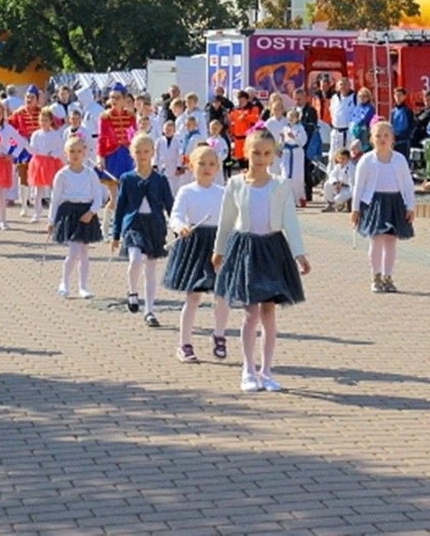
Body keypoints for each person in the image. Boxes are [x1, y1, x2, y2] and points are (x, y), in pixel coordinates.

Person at [213, 128, 310, 393]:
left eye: (266, 153)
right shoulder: (235, 184)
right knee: (250, 312)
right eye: (255, 152)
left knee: (269, 312)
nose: (260, 157)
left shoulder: (280, 185)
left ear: (273, 156)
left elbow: (290, 220)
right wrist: (218, 250)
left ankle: (267, 371)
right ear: (246, 152)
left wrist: (299, 254)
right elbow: (226, 220)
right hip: (245, 249)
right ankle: (248, 369)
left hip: (272, 248)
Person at [163, 145, 229, 363]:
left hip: (217, 246)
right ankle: (184, 343)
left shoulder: (224, 192)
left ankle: (219, 334)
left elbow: (232, 219)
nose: (206, 168)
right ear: (191, 166)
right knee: (193, 297)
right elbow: (176, 215)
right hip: (194, 244)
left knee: (222, 295)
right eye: (201, 163)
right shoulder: (186, 191)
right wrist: (181, 226)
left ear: (218, 167)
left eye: (211, 164)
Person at [112, 133, 174, 328]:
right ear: (132, 154)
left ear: (153, 153)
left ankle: (150, 310)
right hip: (134, 226)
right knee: (135, 259)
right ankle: (132, 291)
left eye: (146, 151)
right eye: (138, 152)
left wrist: (177, 226)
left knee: (151, 269)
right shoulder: (127, 178)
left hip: (154, 226)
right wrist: (115, 234)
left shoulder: (160, 179)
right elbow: (121, 207)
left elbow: (170, 205)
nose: (142, 155)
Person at [351, 120, 416, 293]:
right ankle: (376, 277)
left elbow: (408, 185)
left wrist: (410, 206)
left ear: (392, 138)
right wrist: (355, 209)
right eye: (378, 136)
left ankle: (388, 277)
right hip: (374, 203)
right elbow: (358, 186)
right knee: (376, 240)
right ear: (372, 139)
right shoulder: (367, 160)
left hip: (395, 202)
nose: (382, 139)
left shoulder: (399, 160)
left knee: (391, 241)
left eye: (386, 135)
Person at [47, 136, 104, 299]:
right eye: (72, 151)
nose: (76, 155)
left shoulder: (90, 173)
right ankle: (64, 282)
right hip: (69, 213)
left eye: (79, 151)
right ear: (66, 153)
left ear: (85, 153)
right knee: (73, 251)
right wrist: (51, 220)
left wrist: (92, 212)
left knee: (84, 252)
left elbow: (98, 196)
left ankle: (83, 286)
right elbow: (55, 199)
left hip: (86, 212)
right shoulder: (62, 174)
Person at [0, 99, 29, 230]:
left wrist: (12, 155)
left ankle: (3, 220)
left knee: (0, 193)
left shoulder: (7, 129)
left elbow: (20, 142)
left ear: (3, 115)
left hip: (2, 162)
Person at [98, 84, 137, 238]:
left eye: (117, 97)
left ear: (124, 99)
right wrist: (100, 157)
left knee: (127, 196)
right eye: (112, 97)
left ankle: (123, 227)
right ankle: (105, 227)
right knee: (114, 197)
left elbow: (133, 137)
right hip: (113, 157)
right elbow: (101, 139)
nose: (114, 100)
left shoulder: (131, 116)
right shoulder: (105, 117)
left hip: (127, 157)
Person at [27, 106, 65, 224]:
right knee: (38, 190)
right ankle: (37, 213)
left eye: (46, 120)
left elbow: (60, 148)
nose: (44, 123)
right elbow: (32, 148)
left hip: (51, 162)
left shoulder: (55, 134)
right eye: (42, 120)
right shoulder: (36, 134)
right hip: (39, 163)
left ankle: (53, 213)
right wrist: (32, 150)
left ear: (51, 121)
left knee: (54, 188)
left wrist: (54, 154)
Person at [9, 85, 43, 217]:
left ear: (37, 99)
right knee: (23, 175)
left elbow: (54, 124)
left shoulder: (42, 112)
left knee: (37, 175)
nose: (29, 100)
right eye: (27, 97)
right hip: (23, 147)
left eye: (32, 97)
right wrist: (14, 145)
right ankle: (24, 205)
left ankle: (37, 204)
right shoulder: (18, 113)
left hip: (37, 146)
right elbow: (9, 132)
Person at [293, 88, 319, 204]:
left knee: (306, 168)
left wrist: (300, 124)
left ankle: (308, 193)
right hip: (295, 144)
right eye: (296, 99)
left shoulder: (311, 110)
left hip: (307, 142)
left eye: (299, 99)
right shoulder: (293, 110)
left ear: (305, 98)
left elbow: (312, 125)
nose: (297, 101)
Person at [280, 109, 308, 206]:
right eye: (289, 116)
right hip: (287, 153)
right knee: (285, 174)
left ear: (297, 118)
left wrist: (294, 137)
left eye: (293, 117)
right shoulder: (285, 128)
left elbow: (303, 142)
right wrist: (282, 140)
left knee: (297, 176)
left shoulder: (300, 128)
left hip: (297, 153)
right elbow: (281, 143)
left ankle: (298, 198)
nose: (290, 119)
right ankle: (287, 198)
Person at [227, 90, 260, 169]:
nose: (241, 102)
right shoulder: (235, 110)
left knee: (248, 159)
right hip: (237, 138)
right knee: (240, 159)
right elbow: (231, 122)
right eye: (239, 100)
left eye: (243, 101)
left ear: (247, 100)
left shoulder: (253, 108)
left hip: (248, 138)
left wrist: (245, 117)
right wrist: (231, 132)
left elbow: (256, 119)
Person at [329, 77, 357, 157]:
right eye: (341, 84)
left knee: (350, 156)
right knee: (333, 156)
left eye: (345, 84)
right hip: (336, 131)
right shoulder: (334, 98)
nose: (343, 87)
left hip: (349, 132)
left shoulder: (355, 97)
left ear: (349, 85)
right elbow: (332, 112)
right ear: (337, 86)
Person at [155, 120, 182, 196]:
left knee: (172, 188)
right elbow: (155, 153)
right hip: (161, 167)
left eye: (170, 130)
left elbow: (179, 155)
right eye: (166, 129)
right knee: (161, 187)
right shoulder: (159, 141)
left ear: (174, 131)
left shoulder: (177, 141)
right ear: (163, 130)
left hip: (173, 167)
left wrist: (178, 167)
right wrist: (155, 165)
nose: (168, 131)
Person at [390, 87, 415, 161]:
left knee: (403, 161)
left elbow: (411, 126)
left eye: (400, 95)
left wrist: (407, 136)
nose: (398, 97)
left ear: (404, 96)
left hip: (404, 141)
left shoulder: (408, 111)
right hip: (394, 141)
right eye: (396, 95)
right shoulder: (393, 111)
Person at [349, 88, 376, 153]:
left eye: (364, 96)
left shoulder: (370, 108)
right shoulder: (357, 107)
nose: (362, 98)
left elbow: (364, 119)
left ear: (368, 97)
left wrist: (356, 121)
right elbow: (352, 117)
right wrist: (356, 121)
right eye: (360, 96)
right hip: (355, 131)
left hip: (365, 132)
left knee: (364, 150)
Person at [206, 119, 229, 185]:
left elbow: (225, 153)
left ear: (219, 129)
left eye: (215, 128)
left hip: (217, 164)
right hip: (208, 164)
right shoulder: (207, 140)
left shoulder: (222, 141)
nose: (213, 130)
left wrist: (217, 158)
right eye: (211, 128)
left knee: (218, 181)